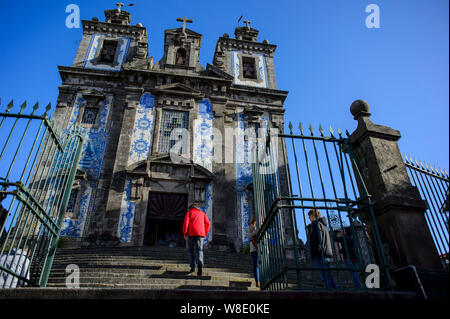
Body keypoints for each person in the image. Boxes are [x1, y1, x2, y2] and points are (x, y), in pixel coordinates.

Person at [306, 209, 337, 289]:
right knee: (328, 274)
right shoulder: (323, 224)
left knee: (325, 275)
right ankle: (335, 290)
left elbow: (316, 239)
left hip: (320, 253)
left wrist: (315, 253)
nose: (309, 218)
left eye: (309, 216)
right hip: (326, 252)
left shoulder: (316, 224)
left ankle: (331, 291)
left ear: (313, 216)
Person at [182, 203, 210, 276]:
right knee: (199, 250)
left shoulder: (189, 213)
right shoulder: (202, 213)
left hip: (191, 234)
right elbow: (208, 223)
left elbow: (186, 223)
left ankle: (192, 266)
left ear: (190, 208)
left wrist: (185, 233)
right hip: (200, 234)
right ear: (198, 208)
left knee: (190, 250)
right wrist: (205, 233)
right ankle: (200, 265)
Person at [247, 216, 260, 288]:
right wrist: (255, 231)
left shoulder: (262, 226)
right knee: (256, 266)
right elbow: (248, 235)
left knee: (262, 266)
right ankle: (257, 281)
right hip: (254, 248)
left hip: (262, 248)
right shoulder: (250, 227)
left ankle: (262, 280)